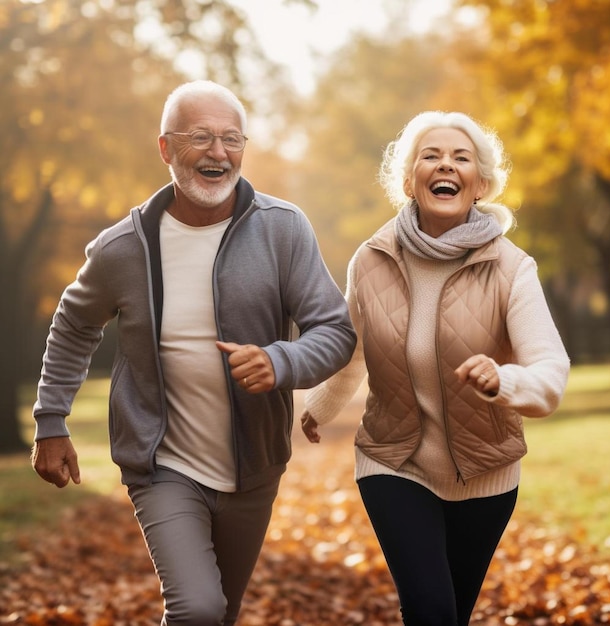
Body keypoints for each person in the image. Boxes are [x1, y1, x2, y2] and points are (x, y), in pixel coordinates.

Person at [31, 79, 356, 626]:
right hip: (162, 464)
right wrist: (51, 419)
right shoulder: (123, 248)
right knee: (198, 609)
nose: (218, 152)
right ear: (166, 148)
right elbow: (73, 324)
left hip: (254, 463)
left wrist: (281, 361)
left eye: (232, 139)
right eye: (200, 137)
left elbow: (335, 329)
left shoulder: (283, 229)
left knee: (219, 614)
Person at [301, 111, 570, 626]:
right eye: (431, 155)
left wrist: (504, 380)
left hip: (486, 474)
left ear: (480, 184)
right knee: (430, 611)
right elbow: (354, 345)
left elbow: (550, 372)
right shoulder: (371, 258)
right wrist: (320, 405)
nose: (445, 164)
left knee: (452, 614)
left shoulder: (512, 267)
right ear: (408, 181)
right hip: (392, 461)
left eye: (460, 157)